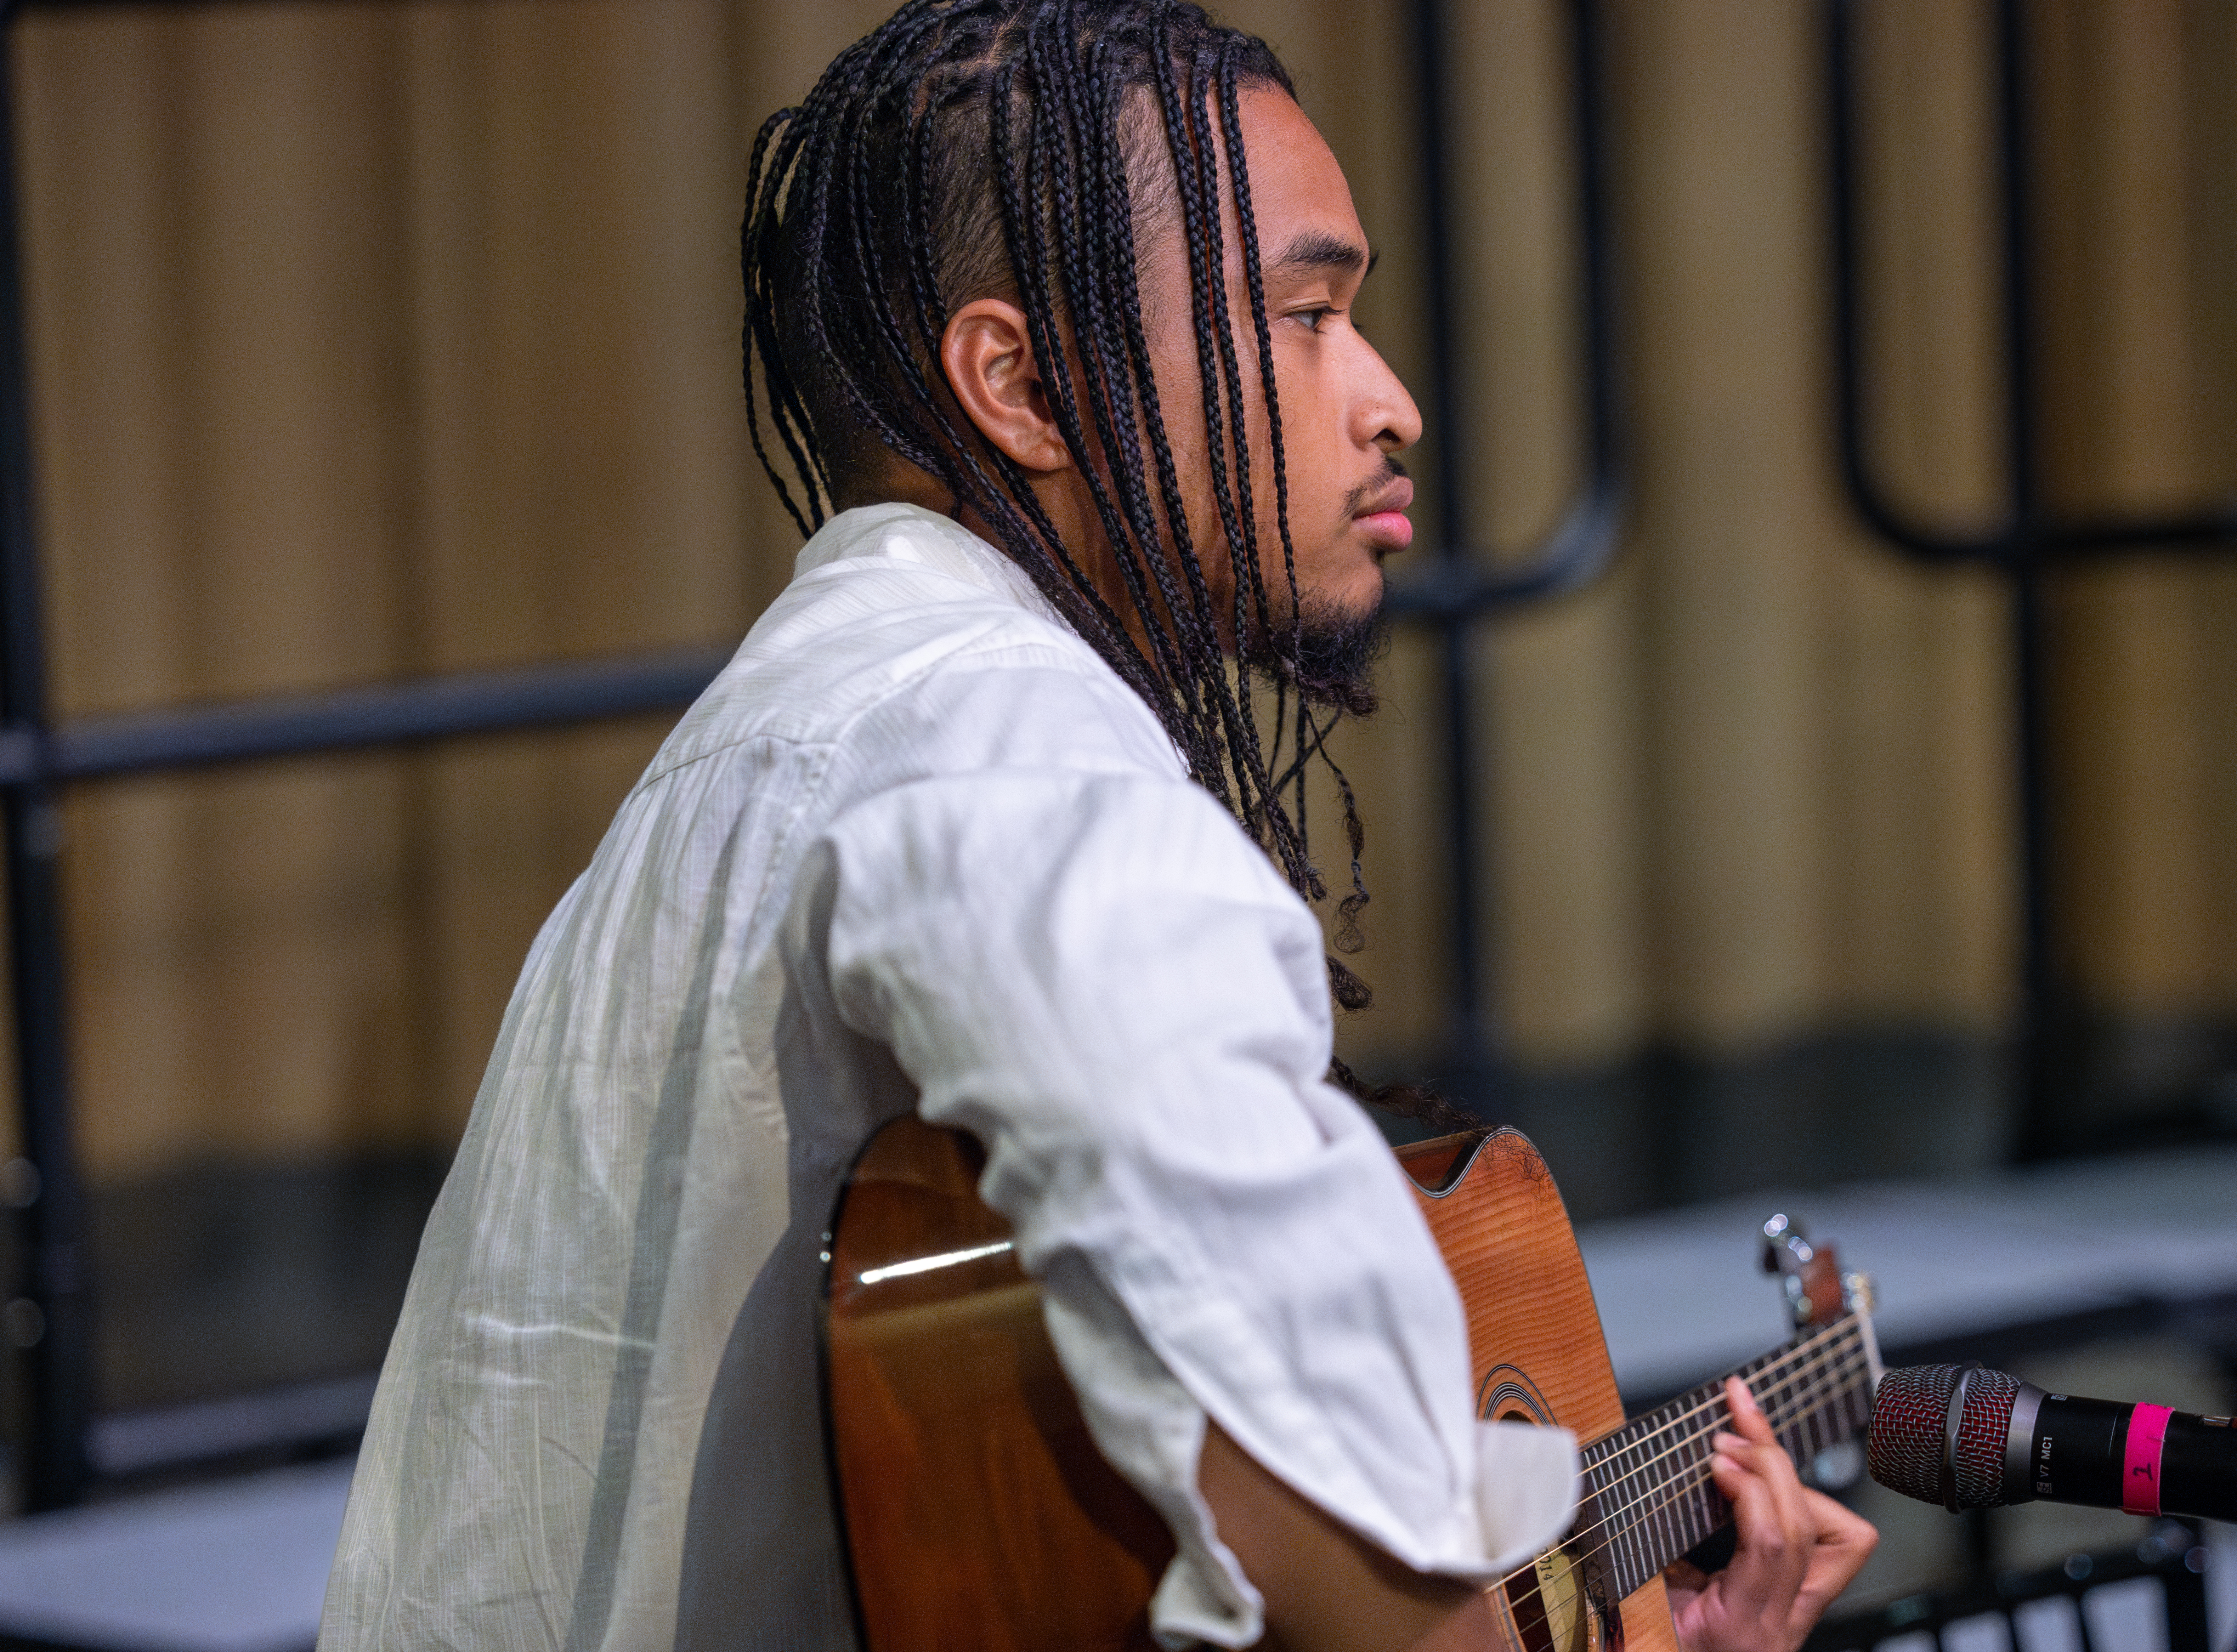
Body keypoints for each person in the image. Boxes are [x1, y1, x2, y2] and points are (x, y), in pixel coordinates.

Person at [319, 3, 1876, 1649]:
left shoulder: (762, 747)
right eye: (1307, 313)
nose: (1393, 399)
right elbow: (1273, 1391)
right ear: (1022, 384)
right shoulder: (1004, 740)